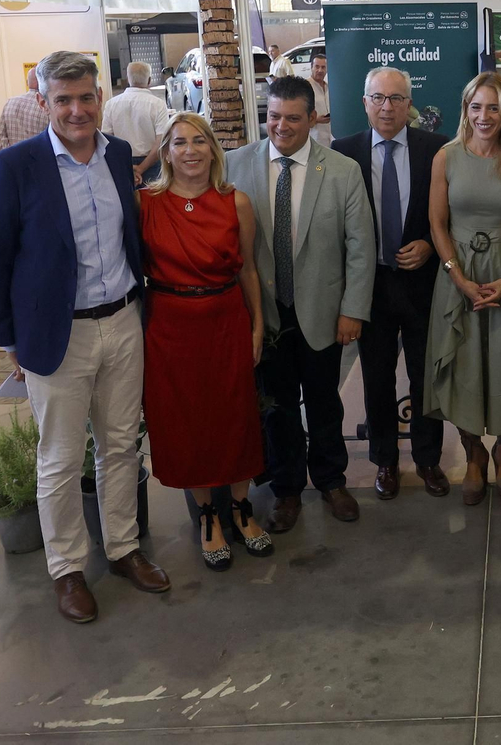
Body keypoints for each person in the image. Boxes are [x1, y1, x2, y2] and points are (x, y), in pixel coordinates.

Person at [0, 50, 170, 623]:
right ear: (43, 102)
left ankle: (124, 548)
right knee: (59, 458)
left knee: (120, 445)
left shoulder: (119, 156)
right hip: (58, 333)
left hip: (124, 321)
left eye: (86, 97)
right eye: (63, 100)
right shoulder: (15, 167)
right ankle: (67, 568)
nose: (77, 110)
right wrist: (9, 339)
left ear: (100, 96)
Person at [225, 75, 374, 529]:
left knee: (325, 401)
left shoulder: (343, 170)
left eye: (292, 118)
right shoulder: (234, 165)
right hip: (263, 313)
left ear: (312, 118)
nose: (281, 126)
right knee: (278, 406)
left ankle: (331, 481)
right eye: (273, 117)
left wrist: (353, 310)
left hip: (323, 312)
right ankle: (287, 490)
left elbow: (360, 246)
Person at [138, 112, 273, 569]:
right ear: (166, 152)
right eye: (179, 142)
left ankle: (241, 508)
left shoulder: (236, 202)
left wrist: (257, 326)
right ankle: (207, 517)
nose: (190, 150)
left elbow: (248, 269)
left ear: (214, 150)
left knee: (235, 415)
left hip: (225, 321)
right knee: (186, 421)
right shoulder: (145, 205)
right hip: (169, 328)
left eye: (200, 141)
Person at [426, 72, 501, 505]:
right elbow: (437, 222)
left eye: (493, 107)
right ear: (466, 110)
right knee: (463, 362)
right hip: (457, 274)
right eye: (476, 107)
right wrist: (457, 276)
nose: (484, 116)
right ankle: (473, 451)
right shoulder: (446, 157)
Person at [333, 68, 449, 499]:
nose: (387, 107)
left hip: (423, 284)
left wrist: (431, 245)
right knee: (377, 377)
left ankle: (428, 459)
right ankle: (384, 460)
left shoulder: (436, 150)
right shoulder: (344, 153)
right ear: (364, 102)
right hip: (371, 286)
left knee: (426, 376)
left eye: (397, 98)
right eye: (378, 98)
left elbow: (451, 213)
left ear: (409, 105)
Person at [101, 61, 176, 186]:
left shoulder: (111, 104)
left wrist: (125, 166)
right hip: (151, 163)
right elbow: (161, 142)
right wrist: (141, 168)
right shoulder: (158, 104)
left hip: (121, 161)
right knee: (152, 197)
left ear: (127, 79)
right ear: (149, 80)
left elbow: (106, 139)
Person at [0, 69, 48, 150]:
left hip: (13, 156)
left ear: (27, 82)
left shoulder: (10, 102)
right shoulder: (47, 106)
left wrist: (6, 156)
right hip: (41, 155)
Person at [308, 53, 332, 148]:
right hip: (314, 137)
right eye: (317, 67)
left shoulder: (329, 87)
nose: (320, 70)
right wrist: (316, 119)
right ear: (311, 68)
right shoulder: (305, 87)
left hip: (330, 137)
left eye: (323, 67)